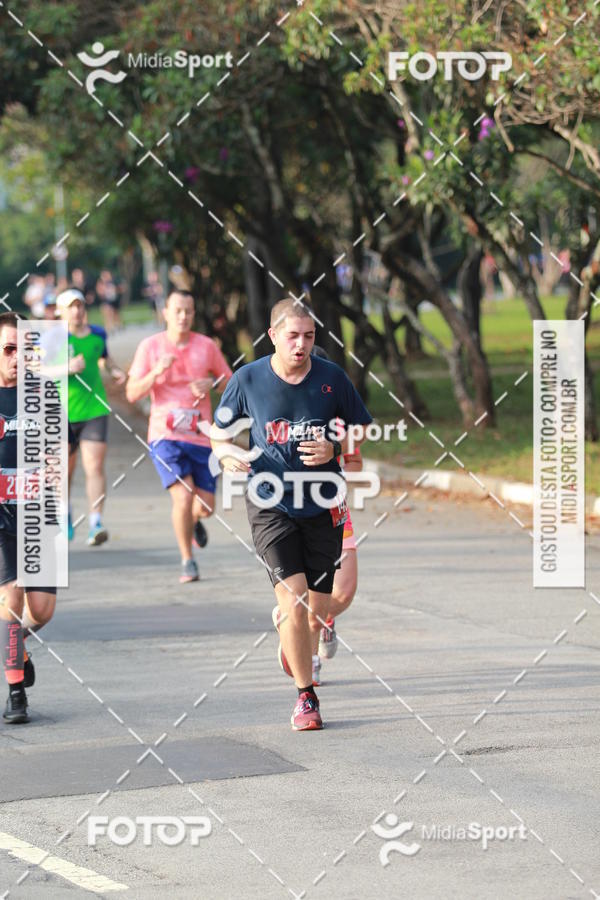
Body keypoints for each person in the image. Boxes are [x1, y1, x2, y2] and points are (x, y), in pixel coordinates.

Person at [210, 299, 372, 731]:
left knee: (318, 609)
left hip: (323, 502)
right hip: (270, 503)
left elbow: (360, 431)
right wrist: (226, 457)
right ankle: (306, 696)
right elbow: (219, 435)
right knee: (295, 600)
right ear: (273, 335)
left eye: (309, 336)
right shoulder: (248, 379)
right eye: (293, 336)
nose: (301, 345)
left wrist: (335, 449)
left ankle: (295, 639)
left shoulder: (332, 378)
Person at [126, 290, 232, 583]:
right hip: (165, 436)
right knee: (183, 497)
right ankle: (188, 560)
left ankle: (194, 521)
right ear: (166, 313)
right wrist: (156, 373)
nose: (183, 316)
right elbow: (132, 393)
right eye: (178, 311)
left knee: (206, 507)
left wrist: (213, 382)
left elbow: (231, 382)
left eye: (188, 311)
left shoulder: (206, 346)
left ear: (193, 314)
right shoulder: (150, 347)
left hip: (201, 435)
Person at [0, 312, 61, 723]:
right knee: (13, 594)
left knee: (42, 610)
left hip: (38, 510)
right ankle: (16, 691)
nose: (18, 357)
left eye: (25, 348)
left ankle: (13, 647)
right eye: (8, 349)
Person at [56, 288, 126, 546]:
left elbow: (105, 360)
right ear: (61, 311)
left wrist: (117, 371)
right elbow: (39, 370)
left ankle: (96, 522)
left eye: (80, 305)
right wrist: (66, 368)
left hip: (94, 409)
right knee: (65, 470)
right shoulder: (53, 338)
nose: (77, 311)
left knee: (94, 467)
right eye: (71, 306)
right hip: (62, 412)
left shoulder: (98, 333)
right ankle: (65, 515)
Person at [96, 269, 122, 334]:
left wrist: (115, 290)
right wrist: (103, 290)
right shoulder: (101, 283)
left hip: (114, 300)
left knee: (115, 314)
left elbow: (121, 288)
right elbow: (99, 291)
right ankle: (109, 327)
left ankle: (117, 325)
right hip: (105, 301)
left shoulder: (114, 282)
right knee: (107, 313)